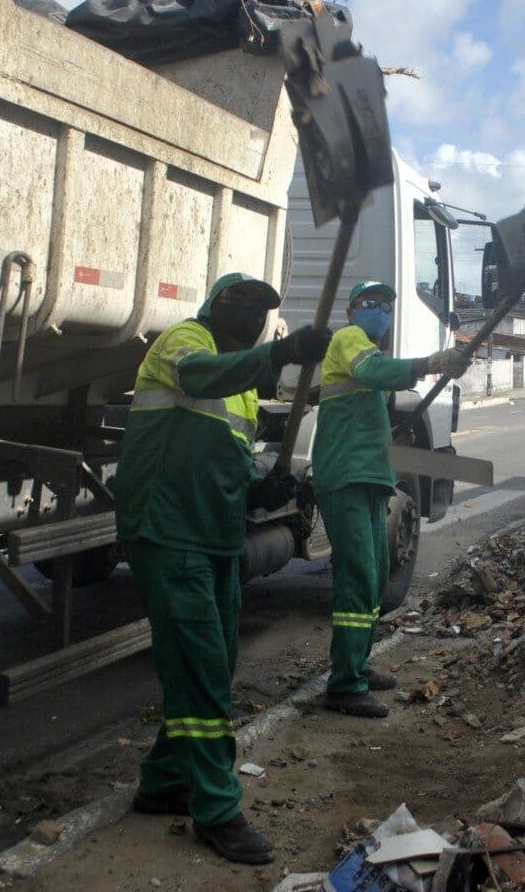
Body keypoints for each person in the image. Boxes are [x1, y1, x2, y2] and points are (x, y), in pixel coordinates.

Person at [115, 272, 329, 865]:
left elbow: (225, 464)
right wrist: (282, 352)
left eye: (261, 309)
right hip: (168, 530)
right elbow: (197, 378)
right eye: (241, 302)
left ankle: (163, 782)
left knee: (209, 664)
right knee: (204, 670)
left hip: (214, 537)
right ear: (214, 304)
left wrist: (265, 490)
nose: (251, 313)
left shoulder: (243, 388)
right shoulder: (184, 342)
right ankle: (215, 807)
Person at [313, 280, 470, 718]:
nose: (378, 310)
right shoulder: (350, 341)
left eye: (384, 304)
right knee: (358, 574)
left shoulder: (373, 354)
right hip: (345, 476)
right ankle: (343, 684)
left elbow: (369, 412)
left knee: (378, 572)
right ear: (350, 312)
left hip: (368, 478)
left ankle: (357, 665)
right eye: (368, 303)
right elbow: (373, 374)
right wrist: (432, 363)